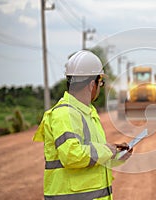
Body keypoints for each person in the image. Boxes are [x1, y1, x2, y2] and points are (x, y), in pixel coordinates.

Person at [33, 50, 132, 200]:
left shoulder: (87, 113)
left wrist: (116, 155)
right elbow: (72, 156)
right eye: (101, 83)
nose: (100, 87)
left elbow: (91, 155)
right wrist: (107, 150)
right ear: (92, 84)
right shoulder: (65, 114)